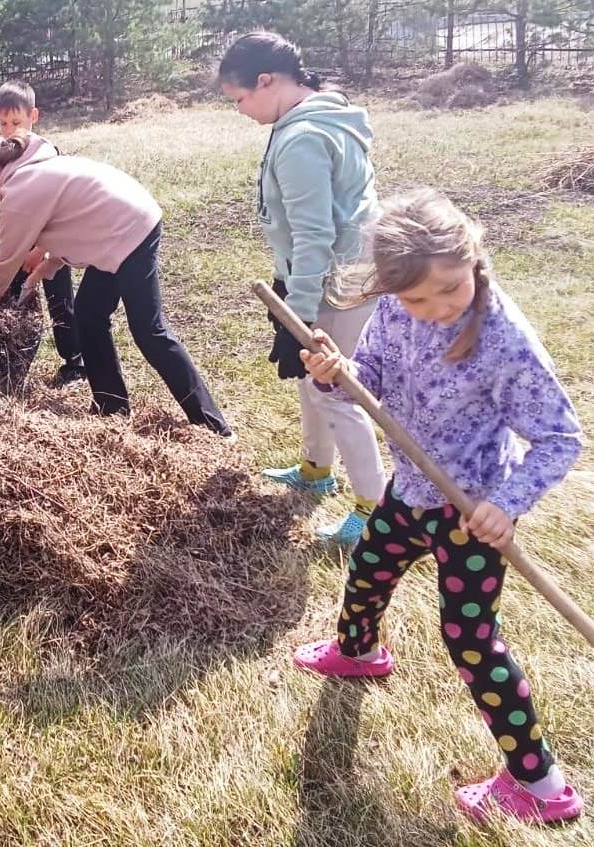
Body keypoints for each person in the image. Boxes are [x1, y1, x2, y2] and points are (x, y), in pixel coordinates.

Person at [291, 189, 585, 824]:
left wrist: (505, 504)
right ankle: (360, 651)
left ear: (473, 260)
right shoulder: (400, 312)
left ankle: (539, 784)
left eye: (449, 290)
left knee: (471, 638)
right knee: (368, 569)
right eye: (415, 299)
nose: (435, 310)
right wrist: (331, 372)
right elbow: (371, 380)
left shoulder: (505, 340)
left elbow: (561, 438)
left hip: (469, 511)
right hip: (413, 488)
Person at [219, 31, 386, 545]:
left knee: (334, 387)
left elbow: (316, 235)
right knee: (311, 380)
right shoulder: (316, 115)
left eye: (240, 99)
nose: (240, 111)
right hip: (329, 272)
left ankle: (373, 510)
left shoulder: (302, 139)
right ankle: (316, 470)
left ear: (266, 81)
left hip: (336, 281)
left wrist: (301, 315)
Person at [0, 134, 232, 437]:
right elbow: (73, 225)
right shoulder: (33, 168)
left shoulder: (20, 190)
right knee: (89, 315)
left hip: (131, 231)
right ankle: (111, 408)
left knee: (149, 331)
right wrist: (43, 270)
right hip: (119, 228)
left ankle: (214, 427)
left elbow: (6, 261)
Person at [0, 81, 84, 385]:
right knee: (13, 295)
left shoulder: (46, 156)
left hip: (50, 245)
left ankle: (74, 363)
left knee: (60, 300)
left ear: (34, 116)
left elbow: (58, 214)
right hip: (17, 243)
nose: (8, 130)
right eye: (2, 123)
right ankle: (4, 354)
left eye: (16, 122)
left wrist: (39, 253)